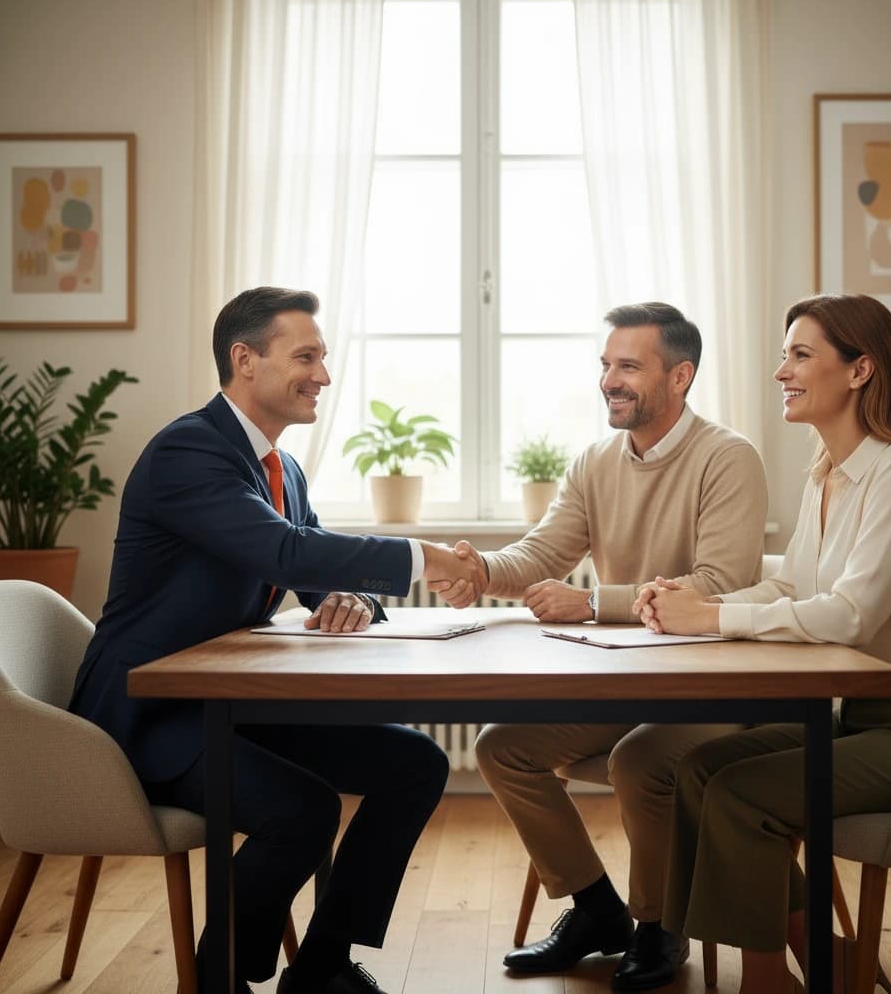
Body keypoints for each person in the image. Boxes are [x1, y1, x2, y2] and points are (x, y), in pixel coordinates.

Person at [69, 286, 486, 994]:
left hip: (228, 700)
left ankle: (321, 968)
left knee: (414, 762)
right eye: (306, 356)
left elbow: (312, 568)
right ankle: (220, 977)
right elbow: (288, 553)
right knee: (304, 810)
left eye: (322, 358)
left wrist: (352, 600)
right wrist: (424, 558)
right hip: (150, 716)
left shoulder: (281, 467)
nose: (323, 374)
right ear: (245, 360)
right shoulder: (187, 451)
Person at [635, 293, 891, 994]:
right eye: (784, 354)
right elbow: (794, 591)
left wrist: (707, 622)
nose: (781, 372)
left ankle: (768, 982)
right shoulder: (826, 471)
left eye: (801, 355)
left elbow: (851, 616)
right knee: (696, 772)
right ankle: (818, 955)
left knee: (740, 794)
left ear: (859, 371)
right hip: (861, 717)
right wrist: (698, 602)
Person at [446, 302, 768, 991]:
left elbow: (721, 587)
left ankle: (658, 926)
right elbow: (542, 553)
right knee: (502, 747)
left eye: (628, 366)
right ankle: (598, 911)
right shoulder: (595, 462)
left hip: (716, 687)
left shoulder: (728, 458)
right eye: (605, 365)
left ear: (679, 376)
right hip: (631, 681)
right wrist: (479, 570)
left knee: (641, 759)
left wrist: (595, 602)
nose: (608, 381)